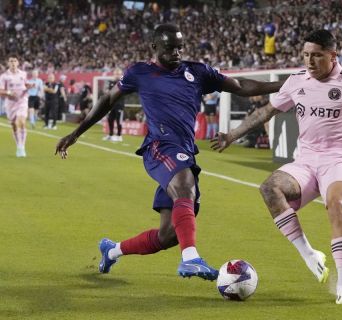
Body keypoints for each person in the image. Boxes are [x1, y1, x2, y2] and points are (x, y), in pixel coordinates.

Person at [55, 23, 283, 281]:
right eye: (170, 48)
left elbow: (240, 85)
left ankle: (112, 251)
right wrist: (76, 133)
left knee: (169, 235)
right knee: (185, 185)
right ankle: (191, 259)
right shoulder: (139, 72)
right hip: (159, 147)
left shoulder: (197, 72)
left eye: (179, 47)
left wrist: (283, 85)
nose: (176, 53)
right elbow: (108, 99)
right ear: (154, 47)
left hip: (184, 151)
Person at [211, 29, 342, 304]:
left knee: (336, 204)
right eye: (306, 55)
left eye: (316, 55)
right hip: (306, 160)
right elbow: (265, 112)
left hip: (339, 159)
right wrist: (231, 135)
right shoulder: (297, 81)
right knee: (270, 188)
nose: (309, 61)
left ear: (332, 55)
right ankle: (309, 254)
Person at [0, 55, 33, 157]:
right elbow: (1, 91)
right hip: (10, 103)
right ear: (8, 63)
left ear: (18, 63)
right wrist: (10, 93)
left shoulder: (23, 74)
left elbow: (25, 84)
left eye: (15, 61)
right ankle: (18, 145)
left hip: (22, 100)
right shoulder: (4, 76)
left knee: (21, 122)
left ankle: (22, 147)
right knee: (14, 124)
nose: (13, 63)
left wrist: (29, 86)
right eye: (11, 61)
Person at [103, 68, 125, 142]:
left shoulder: (122, 82)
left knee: (119, 120)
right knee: (110, 119)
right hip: (111, 105)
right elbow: (108, 92)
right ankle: (110, 135)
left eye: (118, 74)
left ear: (121, 74)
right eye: (116, 73)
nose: (117, 75)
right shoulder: (111, 82)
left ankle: (119, 136)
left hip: (119, 104)